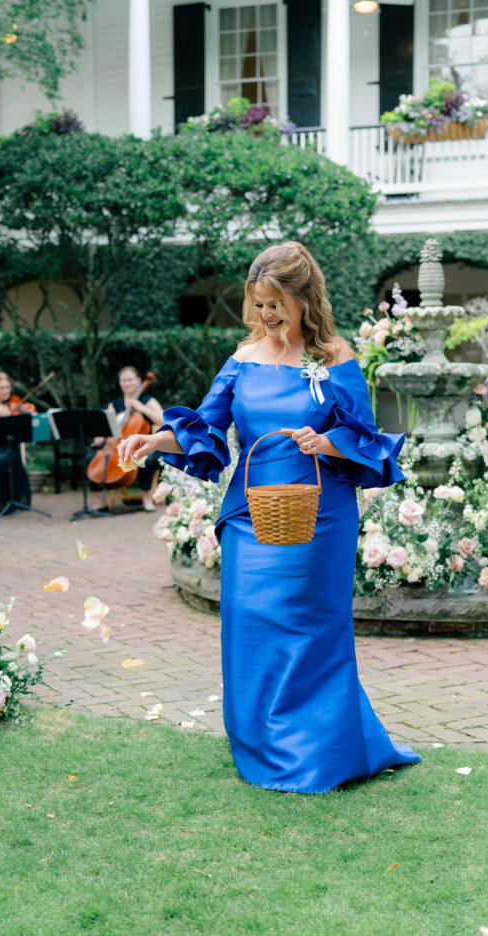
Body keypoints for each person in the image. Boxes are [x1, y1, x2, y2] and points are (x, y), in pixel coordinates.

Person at [119, 241, 420, 794]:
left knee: (309, 627)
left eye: (276, 304)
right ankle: (259, 742)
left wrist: (324, 442)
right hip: (251, 511)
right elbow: (207, 425)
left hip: (319, 513)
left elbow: (365, 436)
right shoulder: (244, 356)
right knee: (248, 619)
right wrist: (154, 439)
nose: (266, 316)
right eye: (258, 305)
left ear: (304, 299)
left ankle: (323, 752)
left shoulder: (334, 357)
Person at [88, 366, 163, 512]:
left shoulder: (147, 400)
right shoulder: (115, 404)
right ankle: (101, 501)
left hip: (144, 445)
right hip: (117, 445)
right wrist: (100, 436)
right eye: (124, 380)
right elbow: (108, 427)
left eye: (130, 380)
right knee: (90, 458)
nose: (127, 383)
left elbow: (164, 421)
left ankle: (146, 498)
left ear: (139, 381)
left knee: (143, 459)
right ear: (120, 383)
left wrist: (141, 407)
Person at [0, 372, 33, 516]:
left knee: (7, 459)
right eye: (1, 388)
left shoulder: (14, 405)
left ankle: (12, 500)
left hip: (10, 446)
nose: (5, 391)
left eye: (8, 387)